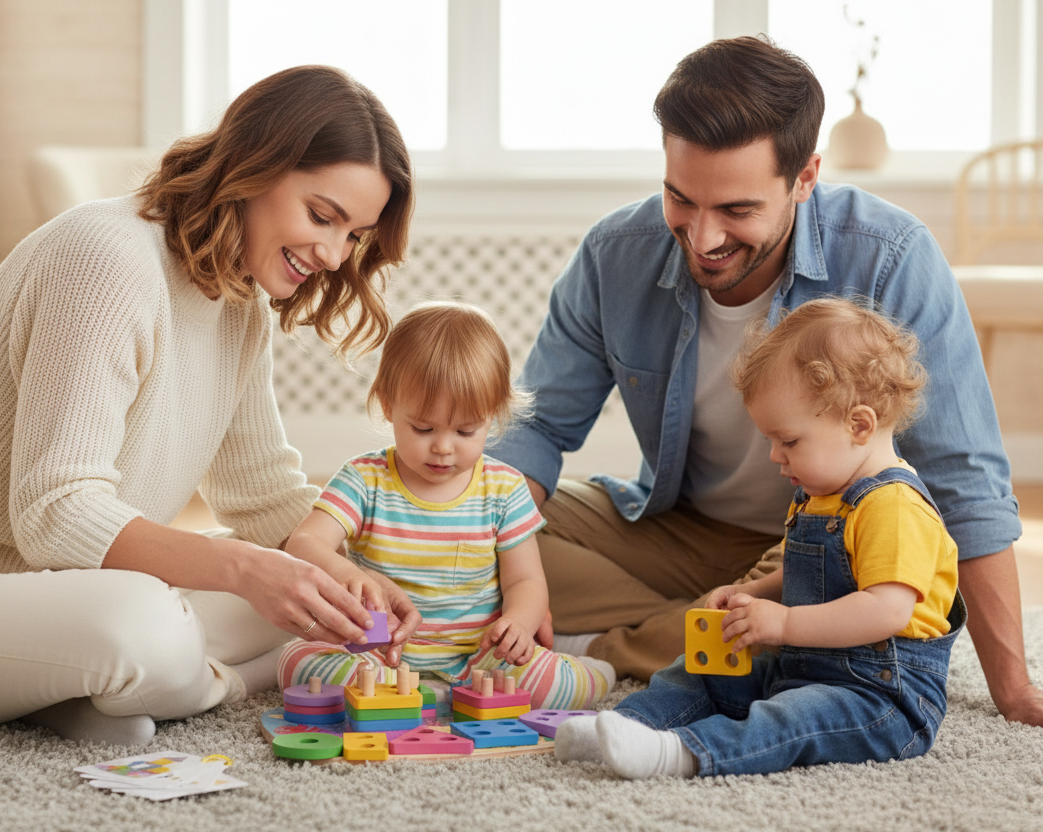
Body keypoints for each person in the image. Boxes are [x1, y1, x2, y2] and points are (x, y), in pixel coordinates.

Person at [0, 65, 421, 746]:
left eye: (355, 235)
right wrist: (251, 570)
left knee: (310, 601)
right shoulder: (105, 259)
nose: (336, 255)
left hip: (47, 595)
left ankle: (81, 688)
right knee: (152, 624)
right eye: (323, 216)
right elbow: (53, 513)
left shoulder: (238, 299)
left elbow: (261, 492)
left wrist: (343, 575)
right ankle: (221, 678)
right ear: (256, 168)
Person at [489, 35, 1043, 727]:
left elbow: (964, 481)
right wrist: (476, 530)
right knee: (476, 526)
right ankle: (702, 631)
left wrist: (1014, 687)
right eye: (681, 199)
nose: (702, 237)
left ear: (805, 177)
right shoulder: (615, 254)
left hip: (823, 543)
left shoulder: (891, 257)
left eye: (738, 211)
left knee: (847, 592)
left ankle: (618, 644)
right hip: (677, 527)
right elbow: (538, 425)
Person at [555, 297, 964, 778]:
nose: (774, 456)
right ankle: (628, 724)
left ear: (859, 425)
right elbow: (816, 566)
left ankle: (680, 754)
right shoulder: (823, 493)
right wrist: (754, 592)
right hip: (805, 669)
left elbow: (885, 609)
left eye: (788, 441)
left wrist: (786, 625)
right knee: (701, 672)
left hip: (881, 696)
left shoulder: (893, 505)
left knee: (789, 720)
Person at [279, 301, 614, 708]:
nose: (442, 447)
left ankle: (596, 672)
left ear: (493, 417)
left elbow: (525, 581)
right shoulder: (364, 479)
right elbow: (303, 542)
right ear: (387, 404)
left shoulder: (504, 489)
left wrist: (517, 625)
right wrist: (346, 571)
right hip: (380, 657)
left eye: (465, 430)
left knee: (551, 682)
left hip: (480, 663)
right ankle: (410, 693)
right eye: (423, 427)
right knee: (299, 662)